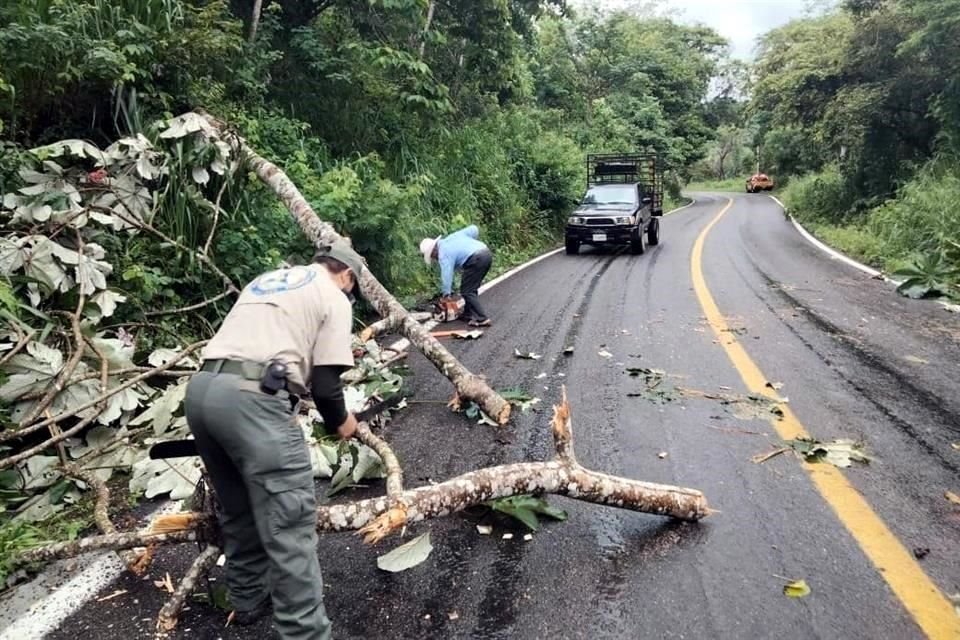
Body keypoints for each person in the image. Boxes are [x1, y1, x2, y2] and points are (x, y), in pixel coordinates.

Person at [183, 241, 365, 640]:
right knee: (289, 523)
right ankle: (305, 633)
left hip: (202, 392)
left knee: (239, 509)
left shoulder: (269, 280)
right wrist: (344, 423)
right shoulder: (334, 296)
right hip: (253, 402)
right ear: (347, 275)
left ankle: (246, 599)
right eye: (353, 288)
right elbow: (326, 385)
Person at [419, 224, 493, 327]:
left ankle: (482, 318)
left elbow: (446, 275)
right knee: (471, 288)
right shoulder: (453, 237)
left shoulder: (443, 253)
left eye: (432, 256)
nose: (434, 259)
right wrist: (470, 245)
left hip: (476, 259)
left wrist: (446, 294)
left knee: (467, 291)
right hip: (486, 253)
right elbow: (474, 229)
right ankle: (468, 314)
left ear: (434, 250)